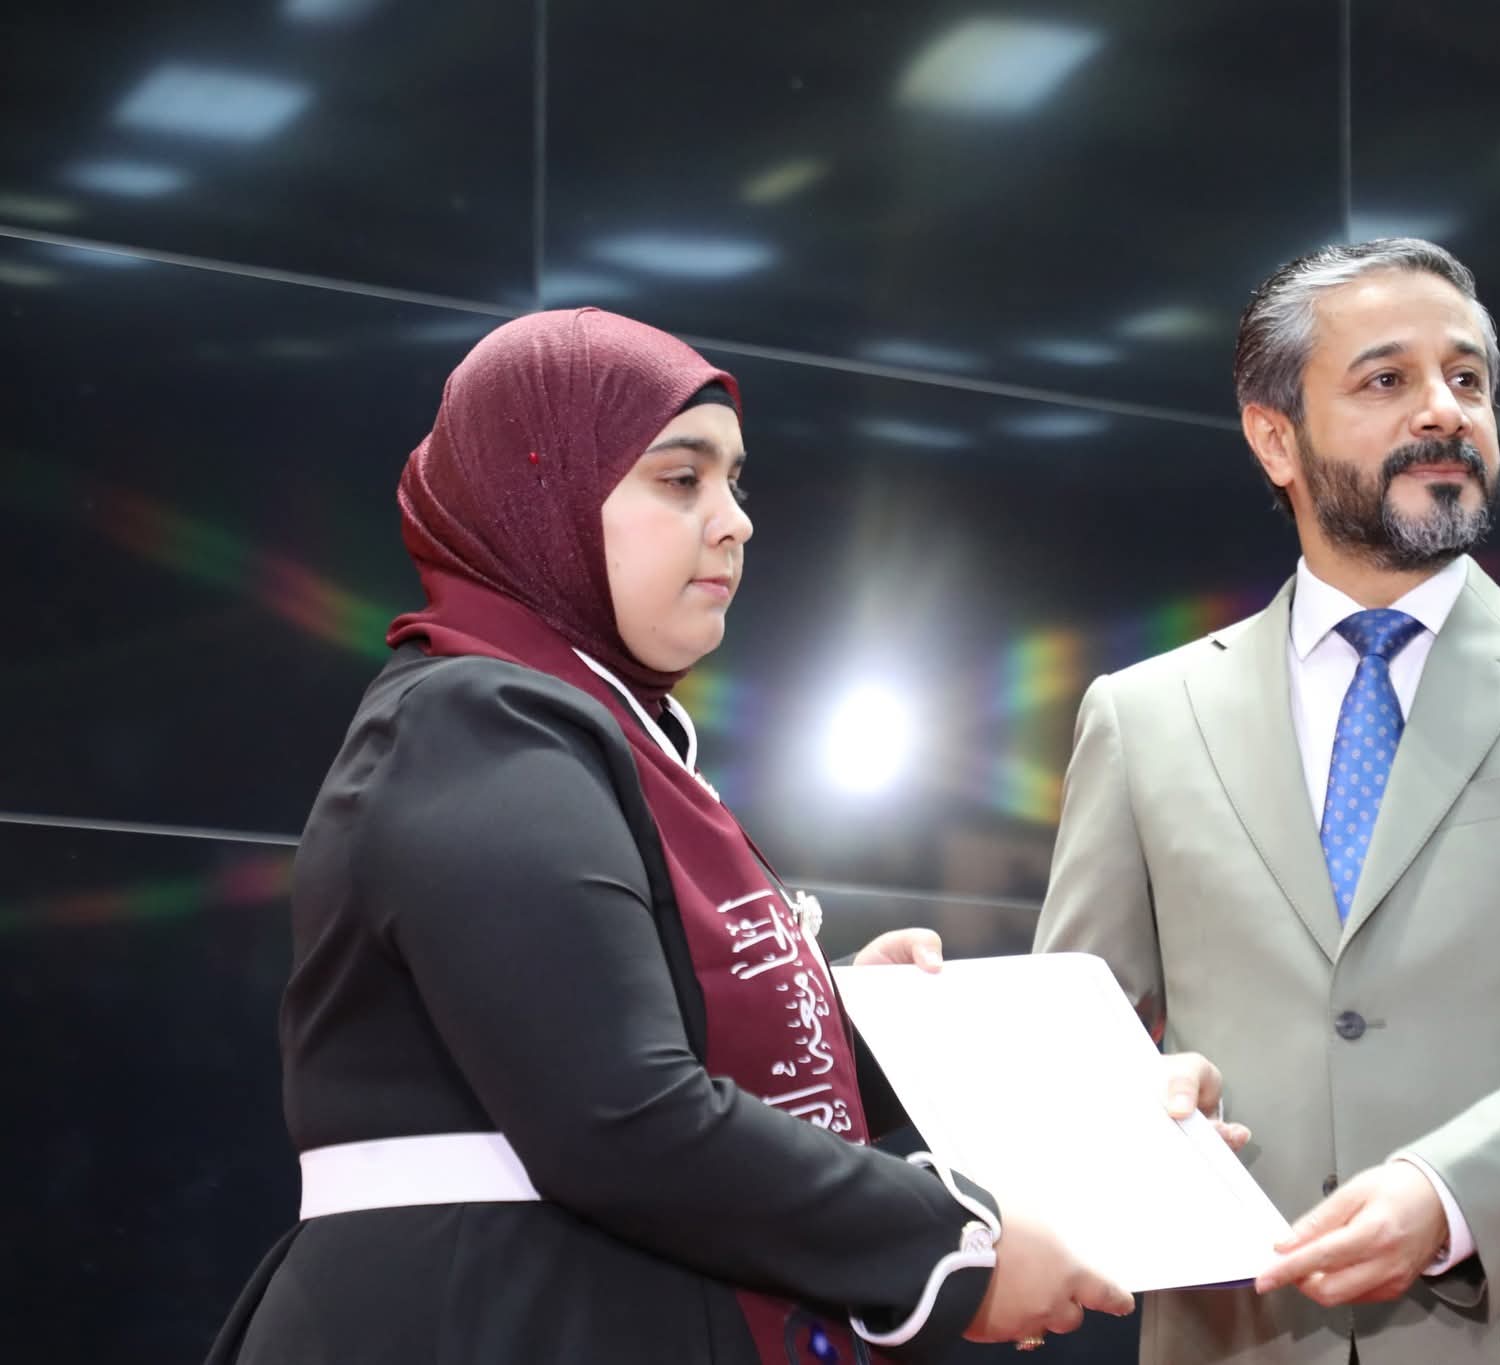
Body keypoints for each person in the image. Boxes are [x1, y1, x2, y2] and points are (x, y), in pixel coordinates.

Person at [203, 308, 1145, 1364]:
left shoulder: (579, 724)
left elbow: (618, 1050)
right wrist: (950, 1243)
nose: (734, 521)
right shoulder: (475, 722)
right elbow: (620, 1114)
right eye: (680, 478)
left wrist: (833, 1020)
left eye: (735, 483)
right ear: (542, 497)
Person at [1033, 239, 1500, 1364]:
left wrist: (1449, 1191)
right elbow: (1075, 1042)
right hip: (1243, 1326)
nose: (1444, 411)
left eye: (1466, 379)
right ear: (1275, 437)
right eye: (1386, 379)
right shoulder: (1143, 714)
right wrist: (1128, 1112)